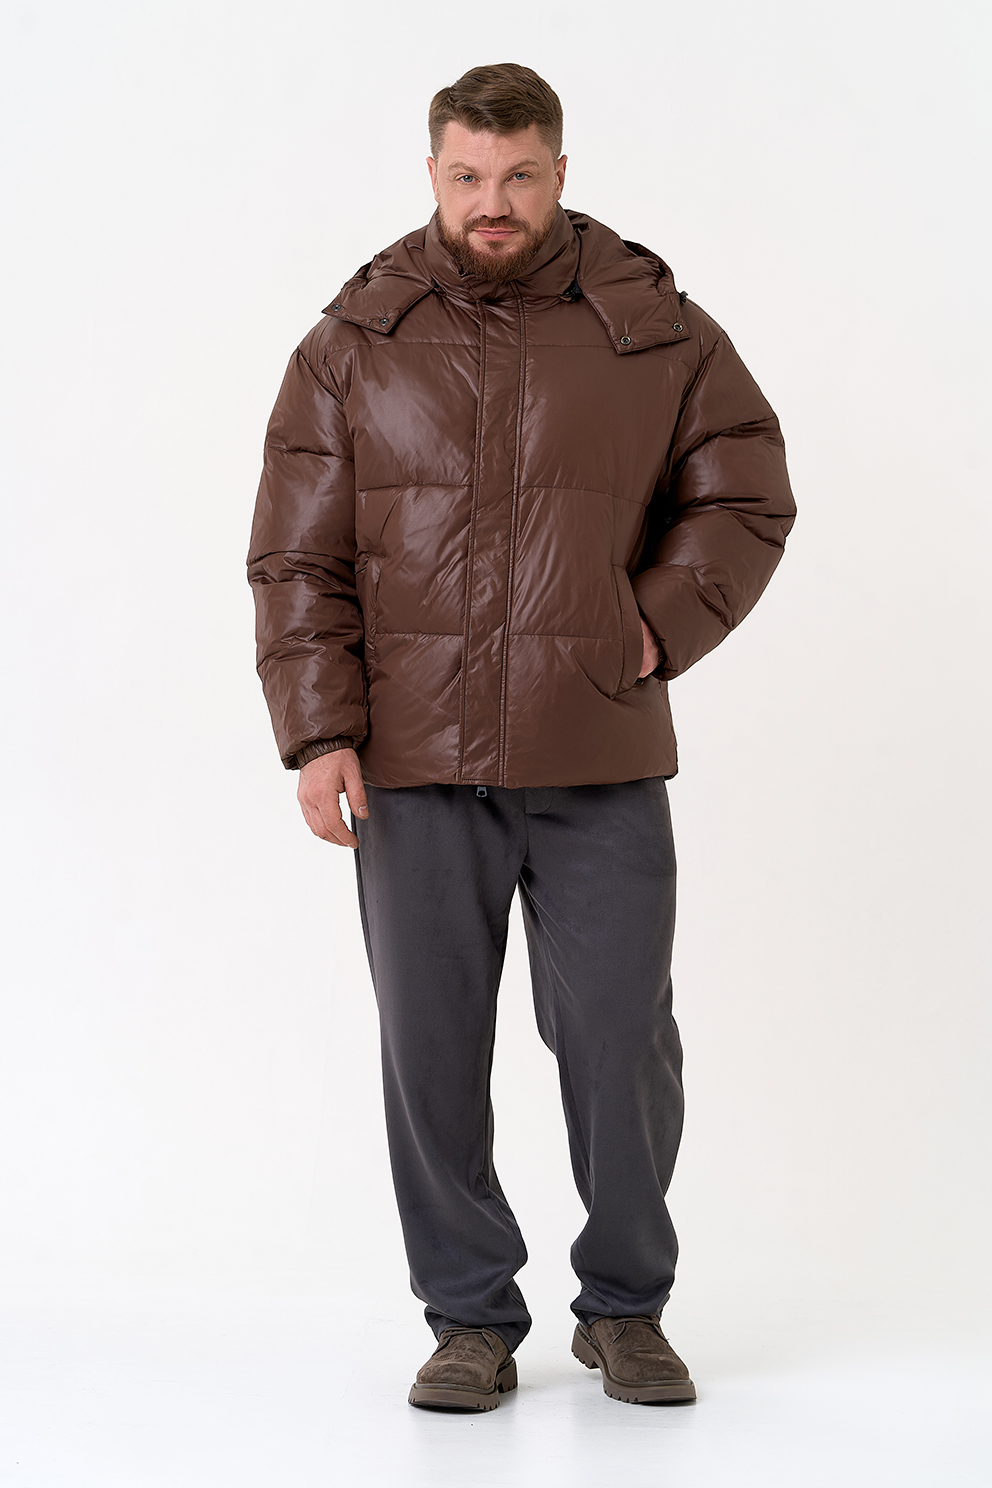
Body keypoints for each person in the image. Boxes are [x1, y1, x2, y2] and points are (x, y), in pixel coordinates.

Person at [247, 61, 796, 1411]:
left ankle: (627, 1307)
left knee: (621, 1041)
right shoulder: (354, 340)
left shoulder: (652, 327)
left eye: (519, 176)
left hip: (597, 749)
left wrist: (652, 628)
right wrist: (320, 733)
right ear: (434, 175)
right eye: (467, 177)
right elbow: (297, 555)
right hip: (414, 759)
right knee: (431, 1050)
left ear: (559, 172)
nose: (492, 202)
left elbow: (745, 488)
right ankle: (469, 1320)